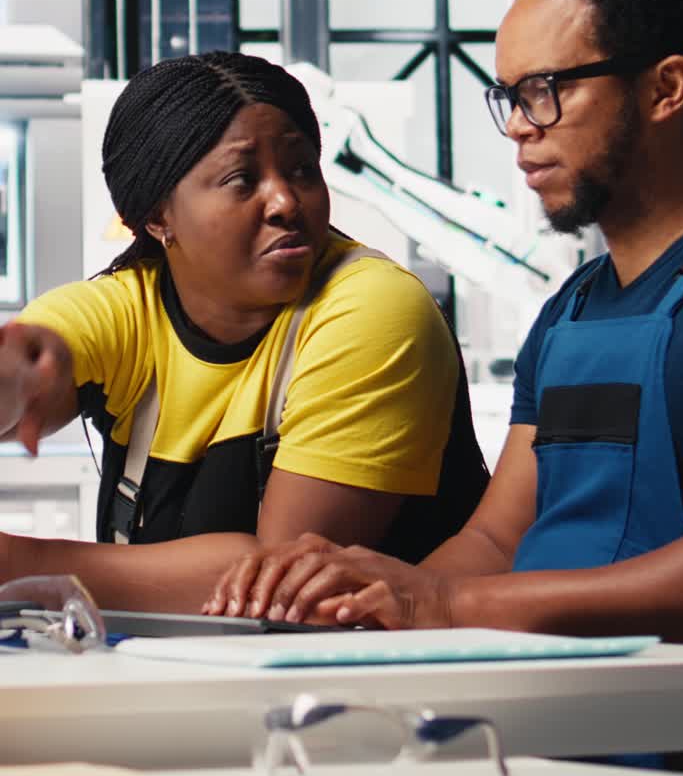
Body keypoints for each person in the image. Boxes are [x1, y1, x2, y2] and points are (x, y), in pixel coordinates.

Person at [203, 0, 683, 650]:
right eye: (509, 96)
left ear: (667, 88)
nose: (516, 125)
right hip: (560, 713)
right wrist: (373, 601)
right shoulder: (570, 312)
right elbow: (496, 537)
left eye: (545, 91)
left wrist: (451, 603)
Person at [0, 51, 488, 610]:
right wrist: (17, 379)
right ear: (157, 217)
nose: (285, 201)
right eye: (242, 179)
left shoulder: (375, 309)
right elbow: (40, 356)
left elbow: (279, 580)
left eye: (302, 168)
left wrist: (17, 565)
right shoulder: (133, 304)